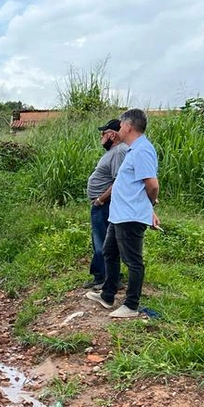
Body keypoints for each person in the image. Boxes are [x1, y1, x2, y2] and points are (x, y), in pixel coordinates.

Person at [86, 108, 160, 318]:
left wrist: (149, 207)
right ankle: (107, 295)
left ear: (128, 126)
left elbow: (152, 185)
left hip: (131, 215)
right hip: (119, 215)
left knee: (133, 260)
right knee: (109, 252)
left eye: (120, 125)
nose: (118, 129)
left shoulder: (143, 150)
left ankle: (131, 305)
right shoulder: (132, 150)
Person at [83, 118, 128, 290]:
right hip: (100, 205)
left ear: (112, 135)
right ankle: (102, 276)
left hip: (104, 205)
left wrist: (101, 199)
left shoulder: (118, 152)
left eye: (103, 134)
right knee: (101, 242)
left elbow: (119, 181)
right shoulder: (114, 151)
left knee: (103, 243)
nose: (101, 137)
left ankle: (107, 279)